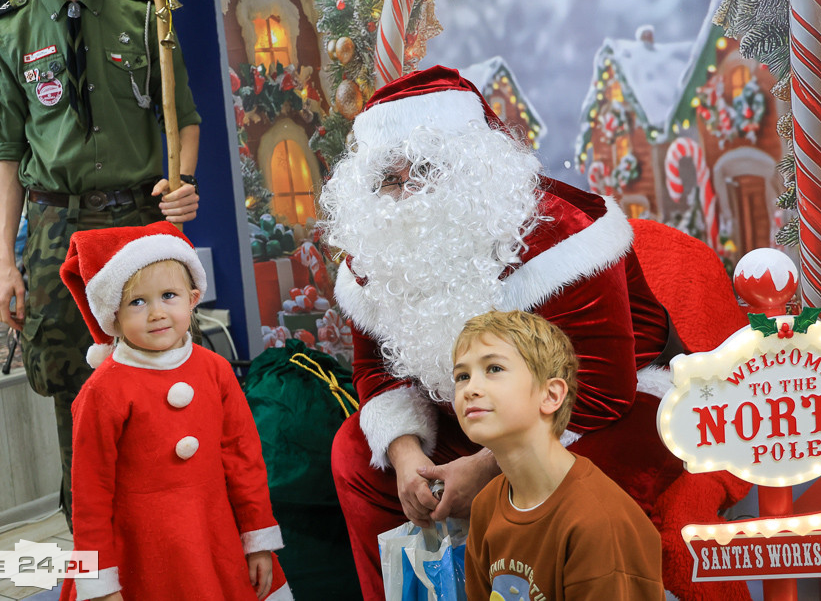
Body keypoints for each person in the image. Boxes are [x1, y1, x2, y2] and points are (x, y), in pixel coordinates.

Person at [321, 66, 749, 601]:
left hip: (605, 406)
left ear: (471, 163)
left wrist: (490, 468)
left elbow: (600, 388)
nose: (408, 192)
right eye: (389, 177)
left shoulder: (562, 235)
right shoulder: (375, 252)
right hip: (476, 407)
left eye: (426, 168)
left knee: (571, 485)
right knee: (354, 452)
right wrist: (408, 456)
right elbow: (376, 370)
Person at [0, 0, 202, 526]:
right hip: (58, 231)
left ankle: (170, 529)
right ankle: (93, 542)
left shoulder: (145, 16)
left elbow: (183, 117)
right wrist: (4, 260)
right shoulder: (8, 30)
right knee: (73, 388)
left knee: (161, 373)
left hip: (137, 224)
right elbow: (4, 148)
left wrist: (183, 183)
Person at [57, 221, 292, 601]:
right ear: (113, 315)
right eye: (137, 302)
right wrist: (100, 582)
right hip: (140, 555)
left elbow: (243, 459)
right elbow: (90, 495)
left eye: (169, 295)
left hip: (217, 540)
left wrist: (258, 540)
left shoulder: (216, 371)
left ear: (193, 298)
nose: (156, 313)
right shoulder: (101, 392)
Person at [454, 310, 665, 600]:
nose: (470, 389)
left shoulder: (598, 522)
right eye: (462, 376)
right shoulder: (486, 506)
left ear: (551, 395)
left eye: (494, 369)